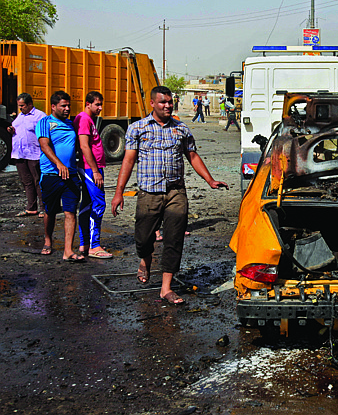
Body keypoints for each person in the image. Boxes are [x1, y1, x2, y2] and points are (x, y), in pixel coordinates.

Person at [111, 86, 228, 304]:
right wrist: (119, 193)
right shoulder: (138, 129)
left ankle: (166, 288)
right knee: (143, 239)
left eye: (170, 102)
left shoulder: (181, 129)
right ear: (152, 104)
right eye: (163, 102)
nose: (167, 105)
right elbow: (128, 161)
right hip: (149, 193)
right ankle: (145, 260)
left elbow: (192, 156)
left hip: (176, 192)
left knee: (174, 240)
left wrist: (210, 180)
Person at [37, 91, 84, 261]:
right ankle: (48, 240)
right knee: (50, 210)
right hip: (51, 174)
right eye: (63, 106)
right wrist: (58, 164)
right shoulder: (45, 122)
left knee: (70, 212)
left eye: (68, 105)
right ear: (53, 106)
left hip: (70, 176)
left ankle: (68, 251)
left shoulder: (71, 124)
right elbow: (44, 145)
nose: (67, 109)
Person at [75, 91, 113, 259]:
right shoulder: (84, 119)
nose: (100, 108)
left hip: (92, 168)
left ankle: (85, 243)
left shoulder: (87, 119)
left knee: (88, 203)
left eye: (101, 104)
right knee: (99, 204)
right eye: (97, 104)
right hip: (91, 169)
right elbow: (84, 146)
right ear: (88, 104)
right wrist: (95, 171)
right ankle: (94, 246)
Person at [7, 93, 46, 217]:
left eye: (22, 106)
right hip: (20, 154)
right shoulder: (20, 116)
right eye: (19, 106)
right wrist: (11, 130)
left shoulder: (40, 116)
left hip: (34, 154)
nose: (21, 108)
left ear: (30, 104)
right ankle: (31, 207)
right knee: (26, 181)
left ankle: (43, 208)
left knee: (37, 181)